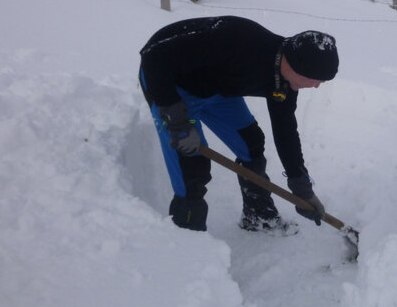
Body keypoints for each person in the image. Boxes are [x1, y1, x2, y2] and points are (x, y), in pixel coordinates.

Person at [138, 15, 339, 233]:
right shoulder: (237, 42)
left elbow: (286, 131)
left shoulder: (284, 83)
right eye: (318, 79)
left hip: (216, 90)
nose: (318, 86)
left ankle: (259, 217)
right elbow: (154, 58)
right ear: (299, 68)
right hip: (173, 87)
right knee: (191, 165)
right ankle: (188, 246)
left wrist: (301, 186)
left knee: (250, 144)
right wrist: (176, 120)